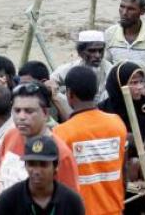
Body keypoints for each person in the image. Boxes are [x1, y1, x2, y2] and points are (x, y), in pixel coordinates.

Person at [53, 66, 127, 215]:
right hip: (114, 210)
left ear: (69, 94)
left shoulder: (60, 133)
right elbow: (123, 175)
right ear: (95, 91)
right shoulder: (117, 123)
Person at [0, 83, 80, 196]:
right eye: (17, 110)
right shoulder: (10, 135)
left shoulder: (61, 153)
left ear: (45, 113)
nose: (21, 117)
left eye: (29, 111)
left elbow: (70, 202)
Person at [0, 135, 86, 215]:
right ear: (25, 165)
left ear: (55, 166)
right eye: (31, 164)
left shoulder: (71, 201)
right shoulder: (8, 200)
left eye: (43, 164)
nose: (36, 171)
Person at [49, 30, 112, 101]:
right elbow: (53, 78)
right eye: (92, 51)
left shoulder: (110, 71)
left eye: (100, 51)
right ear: (80, 52)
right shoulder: (75, 66)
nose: (98, 55)